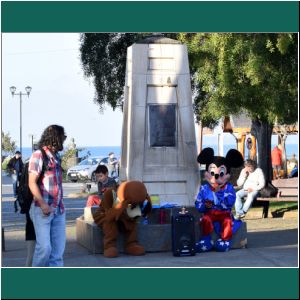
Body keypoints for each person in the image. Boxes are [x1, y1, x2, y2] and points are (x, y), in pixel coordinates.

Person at [28, 124, 67, 267]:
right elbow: (32, 183)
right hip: (42, 209)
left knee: (57, 253)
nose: (64, 139)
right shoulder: (38, 155)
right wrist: (43, 205)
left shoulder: (56, 157)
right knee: (44, 248)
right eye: (63, 136)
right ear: (55, 137)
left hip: (58, 210)